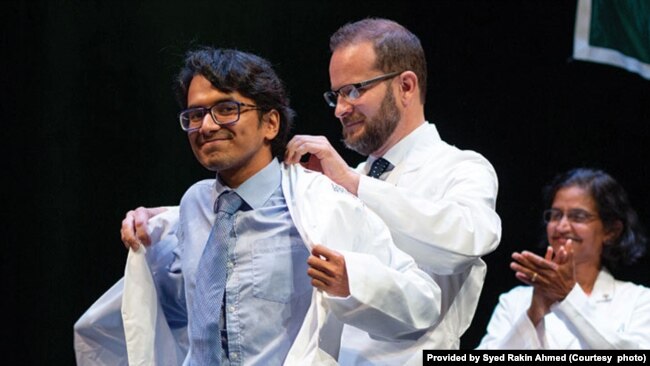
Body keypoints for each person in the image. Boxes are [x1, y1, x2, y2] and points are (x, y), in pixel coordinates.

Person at [120, 18, 501, 364]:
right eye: (336, 95)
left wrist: (352, 185)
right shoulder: (326, 189)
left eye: (354, 90)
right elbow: (255, 205)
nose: (340, 109)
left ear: (405, 85)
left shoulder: (461, 168)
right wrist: (162, 219)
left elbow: (467, 239)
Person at [74, 47, 442, 365]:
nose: (206, 126)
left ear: (270, 122)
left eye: (226, 109)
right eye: (195, 115)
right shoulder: (193, 206)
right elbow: (171, 309)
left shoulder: (322, 207)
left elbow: (424, 302)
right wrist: (147, 237)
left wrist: (354, 280)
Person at [477, 168, 650, 349]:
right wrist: (533, 314)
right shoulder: (515, 301)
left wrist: (569, 297)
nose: (562, 226)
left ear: (610, 231)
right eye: (556, 215)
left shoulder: (639, 301)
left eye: (578, 216)